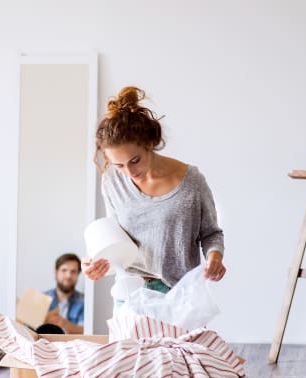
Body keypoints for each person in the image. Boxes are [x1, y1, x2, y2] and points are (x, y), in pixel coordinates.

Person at [83, 86, 226, 293]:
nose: (129, 172)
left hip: (180, 296)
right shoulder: (111, 182)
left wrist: (215, 258)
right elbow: (116, 238)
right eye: (119, 165)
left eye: (135, 160)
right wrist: (95, 263)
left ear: (149, 143)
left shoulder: (191, 182)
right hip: (131, 294)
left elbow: (212, 233)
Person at [43, 253, 85, 334]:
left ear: (78, 275)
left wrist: (64, 323)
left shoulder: (84, 302)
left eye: (73, 271)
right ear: (56, 273)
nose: (68, 275)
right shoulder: (42, 299)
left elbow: (88, 332)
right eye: (64, 270)